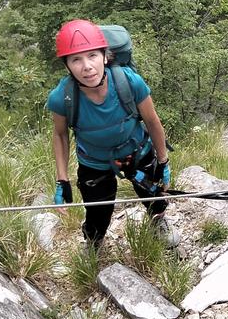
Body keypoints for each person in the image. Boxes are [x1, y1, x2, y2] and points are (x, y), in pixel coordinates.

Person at [47, 20, 177, 249]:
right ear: (67, 66)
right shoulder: (62, 98)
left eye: (92, 56)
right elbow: (60, 136)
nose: (87, 66)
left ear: (105, 57)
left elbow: (152, 120)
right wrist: (62, 180)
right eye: (76, 59)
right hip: (94, 162)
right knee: (98, 213)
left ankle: (158, 220)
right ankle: (94, 241)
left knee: (154, 196)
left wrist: (163, 161)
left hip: (137, 151)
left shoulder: (128, 81)